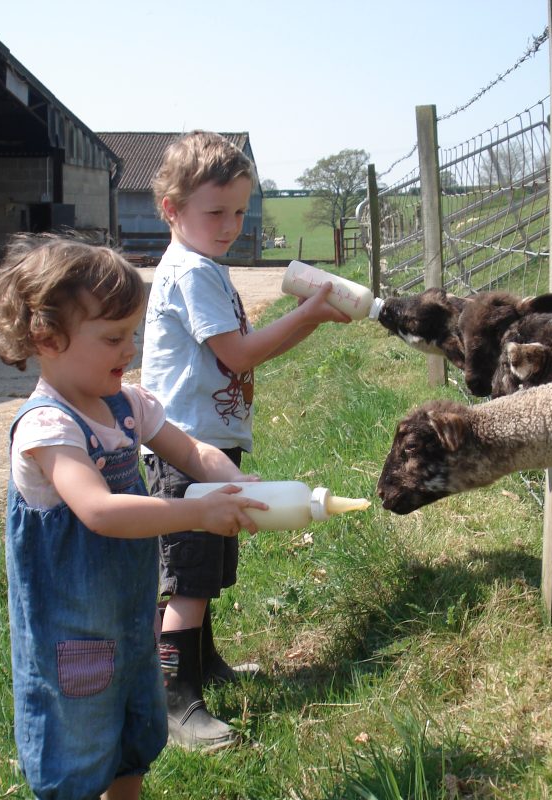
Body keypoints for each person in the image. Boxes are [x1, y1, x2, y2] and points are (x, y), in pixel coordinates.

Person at [0, 233, 269, 800]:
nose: (130, 351)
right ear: (47, 337)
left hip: (127, 612)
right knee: (77, 729)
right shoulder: (47, 428)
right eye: (113, 339)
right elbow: (102, 511)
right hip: (69, 630)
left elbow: (191, 449)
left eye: (132, 335)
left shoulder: (124, 405)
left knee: (138, 712)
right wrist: (194, 514)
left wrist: (228, 475)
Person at [141, 130, 351, 750]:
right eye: (215, 212)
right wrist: (308, 316)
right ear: (171, 209)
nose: (231, 225)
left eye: (240, 211)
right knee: (189, 579)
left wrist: (302, 322)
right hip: (186, 450)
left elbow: (242, 353)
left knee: (206, 571)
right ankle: (174, 699)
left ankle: (202, 665)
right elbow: (237, 354)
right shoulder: (191, 273)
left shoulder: (206, 267)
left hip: (208, 444)